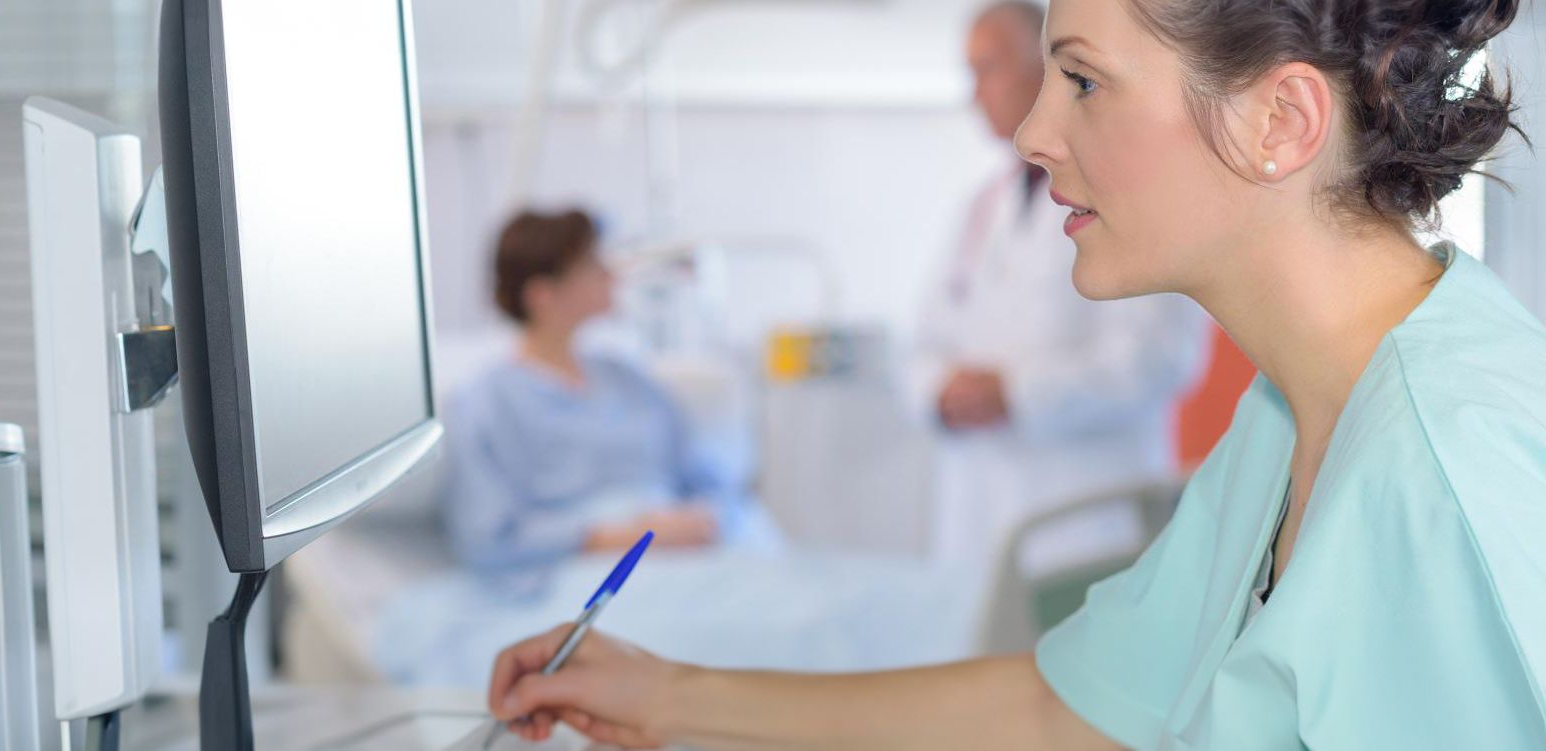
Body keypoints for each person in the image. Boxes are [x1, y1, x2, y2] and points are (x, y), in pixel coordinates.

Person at [481, 0, 1546, 748]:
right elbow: (1071, 710)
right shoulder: (1288, 417)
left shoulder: (1444, 473)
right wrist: (671, 695)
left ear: (1279, 121)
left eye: (1081, 80)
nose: (1034, 133)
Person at [912, 1, 1209, 568]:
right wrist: (937, 392)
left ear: (1048, 68)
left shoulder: (1137, 194)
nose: (974, 94)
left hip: (1087, 522)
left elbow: (1161, 358)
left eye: (988, 69)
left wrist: (1017, 394)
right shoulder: (979, 209)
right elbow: (923, 340)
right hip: (981, 515)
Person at [441, 210, 751, 574]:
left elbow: (705, 477)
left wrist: (704, 516)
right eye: (591, 264)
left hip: (691, 553)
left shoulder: (627, 377)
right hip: (588, 572)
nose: (610, 274)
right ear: (542, 294)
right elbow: (486, 539)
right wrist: (617, 535)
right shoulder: (486, 403)